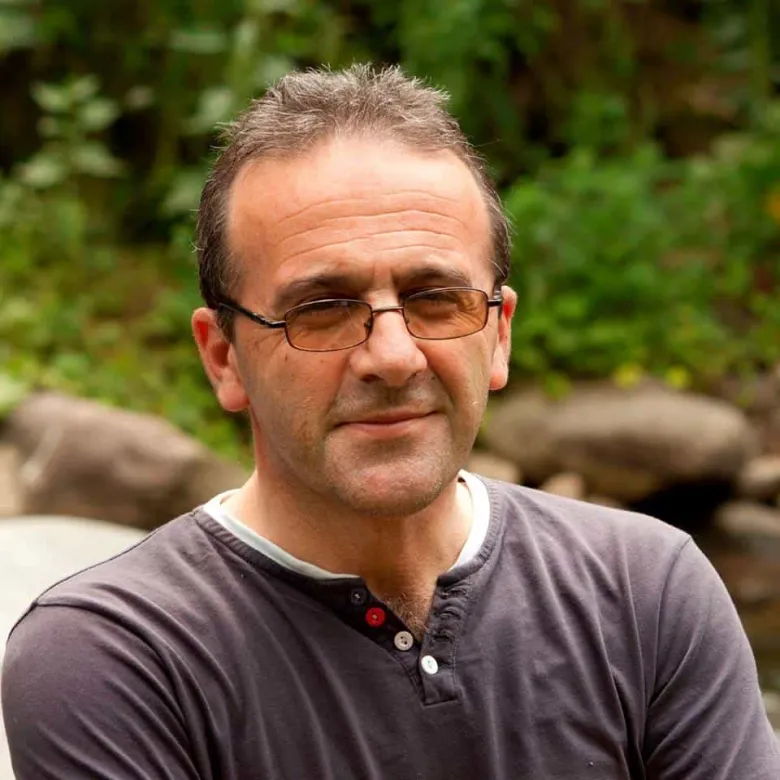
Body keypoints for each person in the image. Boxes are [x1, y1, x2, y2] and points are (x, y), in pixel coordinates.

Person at [2, 64, 778, 780]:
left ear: (499, 334)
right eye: (322, 309)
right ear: (224, 358)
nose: (394, 357)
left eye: (436, 299)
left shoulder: (645, 593)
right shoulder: (115, 656)